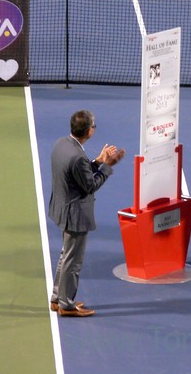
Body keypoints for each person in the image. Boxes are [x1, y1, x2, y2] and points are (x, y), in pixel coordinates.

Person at [48, 110, 125, 317]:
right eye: (94, 126)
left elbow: (76, 174)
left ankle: (57, 298)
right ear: (89, 131)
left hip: (62, 209)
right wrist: (107, 167)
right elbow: (90, 186)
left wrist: (97, 161)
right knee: (73, 262)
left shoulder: (61, 144)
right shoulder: (78, 157)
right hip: (75, 215)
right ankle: (66, 305)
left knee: (66, 256)